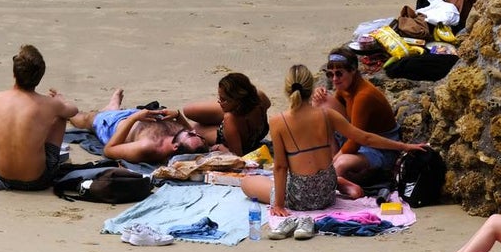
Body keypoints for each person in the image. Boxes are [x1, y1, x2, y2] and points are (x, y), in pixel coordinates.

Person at [241, 64, 429, 216]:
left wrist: (279, 205)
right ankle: (339, 181)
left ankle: (340, 181)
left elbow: (281, 167)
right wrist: (405, 146)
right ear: (310, 88)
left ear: (287, 89)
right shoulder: (326, 115)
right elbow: (365, 138)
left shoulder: (278, 122)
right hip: (327, 192)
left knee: (247, 183)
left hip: (300, 198)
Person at [0, 44, 79, 191]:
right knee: (60, 117)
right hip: (36, 180)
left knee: (5, 123)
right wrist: (61, 101)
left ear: (14, 73)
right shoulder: (50, 104)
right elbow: (73, 111)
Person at [311, 47, 402, 186]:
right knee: (321, 101)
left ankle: (339, 176)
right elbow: (335, 114)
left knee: (340, 165)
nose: (335, 79)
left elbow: (357, 141)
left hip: (379, 148)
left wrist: (333, 163)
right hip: (359, 138)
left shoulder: (363, 96)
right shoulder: (346, 87)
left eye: (339, 74)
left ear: (353, 70)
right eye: (331, 75)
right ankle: (333, 168)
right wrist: (319, 95)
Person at [69, 88, 207, 164]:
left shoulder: (147, 147)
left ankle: (63, 108)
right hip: (141, 115)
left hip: (115, 123)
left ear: (175, 147)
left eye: (190, 134)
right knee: (110, 111)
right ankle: (112, 107)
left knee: (86, 118)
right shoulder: (184, 140)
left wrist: (133, 118)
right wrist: (178, 115)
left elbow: (109, 150)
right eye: (196, 134)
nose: (193, 131)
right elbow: (191, 135)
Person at [177, 72, 271, 156]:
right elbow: (268, 104)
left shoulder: (230, 118)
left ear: (238, 100)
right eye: (220, 98)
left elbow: (237, 157)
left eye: (224, 99)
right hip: (242, 120)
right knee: (188, 110)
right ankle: (223, 115)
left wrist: (222, 149)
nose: (219, 102)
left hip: (233, 133)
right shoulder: (259, 97)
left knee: (196, 129)